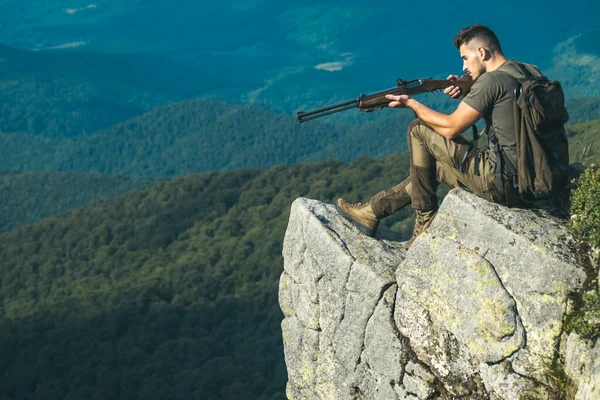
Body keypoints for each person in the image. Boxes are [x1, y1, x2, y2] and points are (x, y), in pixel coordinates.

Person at [336, 24, 542, 248]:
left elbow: (451, 128)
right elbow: (508, 108)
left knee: (419, 129)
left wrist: (411, 103)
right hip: (536, 180)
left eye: (465, 58)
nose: (463, 66)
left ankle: (424, 223)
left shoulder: (490, 82)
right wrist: (470, 87)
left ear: (482, 53)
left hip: (502, 185)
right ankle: (372, 211)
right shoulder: (529, 71)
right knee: (432, 169)